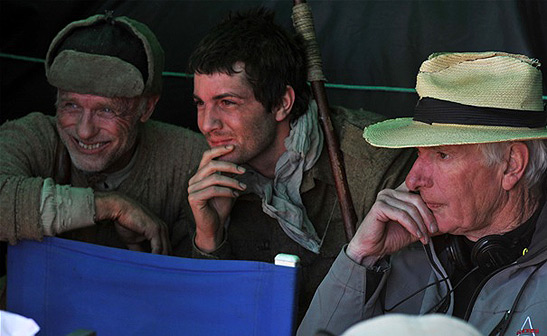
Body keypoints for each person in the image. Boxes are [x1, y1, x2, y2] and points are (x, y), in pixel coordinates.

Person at [186, 8, 416, 319]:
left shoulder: (370, 163)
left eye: (227, 103)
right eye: (201, 103)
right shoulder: (210, 174)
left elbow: (411, 306)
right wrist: (209, 238)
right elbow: (206, 317)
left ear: (282, 103)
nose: (207, 123)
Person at [298, 51, 547, 335]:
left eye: (442, 155)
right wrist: (361, 258)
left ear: (511, 165)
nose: (413, 179)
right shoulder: (406, 252)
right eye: (419, 153)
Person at [0, 13, 207, 255]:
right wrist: (109, 206)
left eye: (106, 110)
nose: (85, 131)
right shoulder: (33, 136)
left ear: (147, 107)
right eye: (71, 105)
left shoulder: (190, 160)